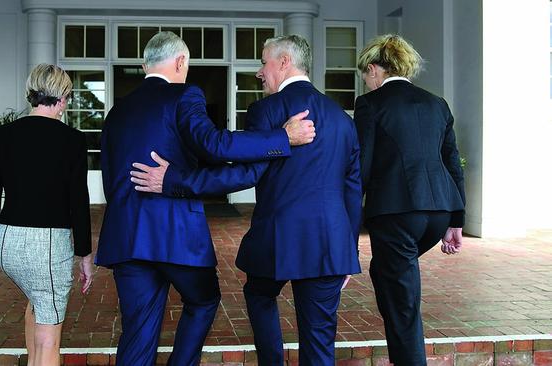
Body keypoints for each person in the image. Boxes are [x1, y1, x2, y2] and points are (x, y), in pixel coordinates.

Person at [131, 34, 362, 365]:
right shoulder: (342, 118)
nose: (259, 72)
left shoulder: (265, 110)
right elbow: (352, 187)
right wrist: (348, 249)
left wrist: (174, 180)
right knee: (320, 338)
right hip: (330, 243)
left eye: (264, 62)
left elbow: (244, 174)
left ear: (284, 62)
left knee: (259, 294)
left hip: (277, 238)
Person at [96, 31, 316, 366]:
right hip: (176, 235)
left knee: (137, 330)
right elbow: (214, 144)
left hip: (126, 236)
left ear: (145, 65)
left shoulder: (117, 111)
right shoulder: (185, 95)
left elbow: (110, 177)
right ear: (181, 61)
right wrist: (281, 138)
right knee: (203, 300)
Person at [354, 34, 465, 366]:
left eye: (365, 76)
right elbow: (452, 162)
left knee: (402, 303)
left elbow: (361, 168)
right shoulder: (436, 103)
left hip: (397, 212)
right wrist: (456, 221)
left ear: (374, 69)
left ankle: (409, 359)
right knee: (388, 275)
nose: (366, 83)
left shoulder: (370, 104)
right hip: (438, 214)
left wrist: (347, 228)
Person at [0, 64, 94, 366]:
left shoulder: (4, 135)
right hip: (46, 247)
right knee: (49, 339)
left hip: (7, 243)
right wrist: (85, 255)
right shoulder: (72, 139)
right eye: (67, 97)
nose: (67, 104)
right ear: (61, 97)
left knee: (37, 302)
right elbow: (78, 202)